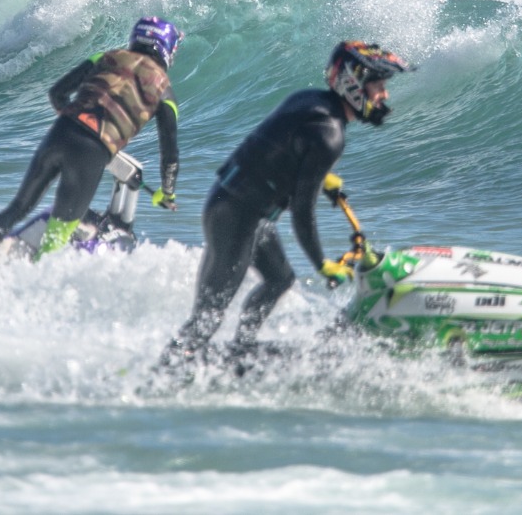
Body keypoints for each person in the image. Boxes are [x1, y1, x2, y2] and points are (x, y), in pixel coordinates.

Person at [158, 40, 412, 370]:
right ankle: (160, 375)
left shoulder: (309, 100)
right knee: (209, 315)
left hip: (235, 205)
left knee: (279, 279)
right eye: (378, 85)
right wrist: (322, 263)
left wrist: (321, 179)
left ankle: (241, 349)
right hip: (237, 217)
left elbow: (277, 150)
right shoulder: (329, 133)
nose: (384, 95)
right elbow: (303, 212)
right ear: (353, 82)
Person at [0, 16, 182, 257]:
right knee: (59, 232)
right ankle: (30, 279)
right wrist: (167, 194)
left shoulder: (107, 57)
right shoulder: (164, 91)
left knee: (18, 207)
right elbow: (170, 154)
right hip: (91, 153)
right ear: (167, 47)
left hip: (61, 132)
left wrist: (76, 123)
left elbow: (57, 93)